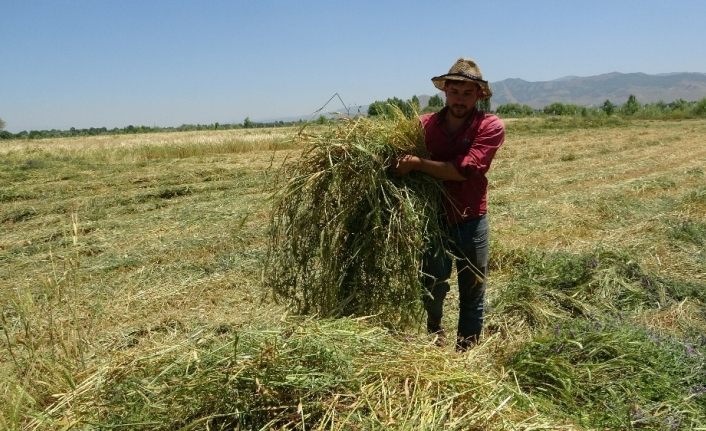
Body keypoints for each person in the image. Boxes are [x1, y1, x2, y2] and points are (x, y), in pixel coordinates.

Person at [393, 58, 505, 351]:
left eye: (468, 93)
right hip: (434, 220)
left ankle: (466, 351)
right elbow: (395, 157)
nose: (460, 99)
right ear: (445, 91)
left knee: (473, 291)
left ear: (479, 95)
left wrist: (417, 164)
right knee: (432, 286)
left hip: (471, 219)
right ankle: (434, 337)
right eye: (455, 92)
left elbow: (463, 170)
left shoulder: (490, 126)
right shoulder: (424, 125)